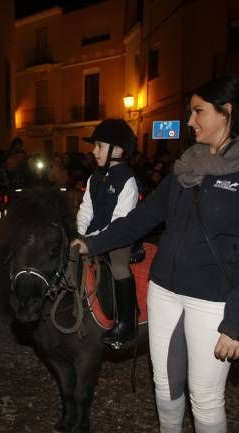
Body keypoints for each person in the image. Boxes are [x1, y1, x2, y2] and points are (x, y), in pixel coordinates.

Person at [73, 77, 239, 433]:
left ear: (227, 113)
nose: (188, 121)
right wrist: (91, 244)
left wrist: (238, 323)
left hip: (216, 303)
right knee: (165, 380)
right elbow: (144, 218)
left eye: (197, 111)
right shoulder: (186, 166)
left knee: (206, 397)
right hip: (165, 287)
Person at [75, 119, 139, 348]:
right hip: (92, 236)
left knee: (119, 265)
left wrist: (93, 241)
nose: (94, 151)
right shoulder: (94, 177)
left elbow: (119, 222)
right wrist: (80, 234)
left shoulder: (128, 179)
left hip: (117, 238)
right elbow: (86, 209)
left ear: (118, 150)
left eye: (99, 146)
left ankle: (125, 324)